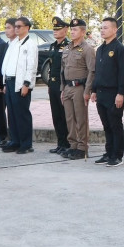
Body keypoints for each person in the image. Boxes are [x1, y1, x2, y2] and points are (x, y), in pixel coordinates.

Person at [91, 17, 124, 167]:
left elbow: (123, 74)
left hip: (114, 94)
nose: (102, 30)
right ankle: (108, 153)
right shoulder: (100, 49)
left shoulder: (120, 50)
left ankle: (117, 155)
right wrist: (94, 90)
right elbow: (98, 72)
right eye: (101, 27)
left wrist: (121, 93)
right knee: (106, 125)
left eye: (106, 27)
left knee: (115, 125)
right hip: (101, 93)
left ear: (115, 30)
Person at [0, 17, 38, 154]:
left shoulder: (30, 44)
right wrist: (5, 82)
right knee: (11, 113)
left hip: (21, 82)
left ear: (27, 28)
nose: (16, 29)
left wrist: (26, 83)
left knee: (22, 114)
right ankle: (15, 141)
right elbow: (8, 63)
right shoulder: (14, 43)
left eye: (19, 26)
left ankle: (26, 144)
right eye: (15, 26)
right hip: (10, 81)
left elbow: (31, 66)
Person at [60, 18, 96, 159]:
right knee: (69, 118)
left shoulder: (87, 49)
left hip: (79, 87)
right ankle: (73, 145)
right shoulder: (67, 48)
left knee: (81, 118)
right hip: (67, 87)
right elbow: (62, 70)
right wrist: (62, 88)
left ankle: (82, 148)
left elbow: (91, 71)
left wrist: (87, 91)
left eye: (75, 29)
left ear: (83, 32)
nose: (72, 32)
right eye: (71, 29)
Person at [47, 17, 71, 155]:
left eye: (58, 29)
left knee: (64, 115)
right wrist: (50, 84)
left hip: (63, 85)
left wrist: (65, 86)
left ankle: (67, 143)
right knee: (56, 115)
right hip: (53, 84)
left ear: (65, 30)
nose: (55, 31)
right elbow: (51, 67)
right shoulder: (52, 46)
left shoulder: (68, 46)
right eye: (54, 29)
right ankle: (60, 143)